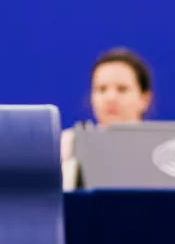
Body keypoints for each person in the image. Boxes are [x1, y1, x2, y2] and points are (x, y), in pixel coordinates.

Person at [61, 48, 153, 188]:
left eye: (122, 89)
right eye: (101, 89)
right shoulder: (67, 145)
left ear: (145, 99)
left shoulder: (158, 149)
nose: (111, 98)